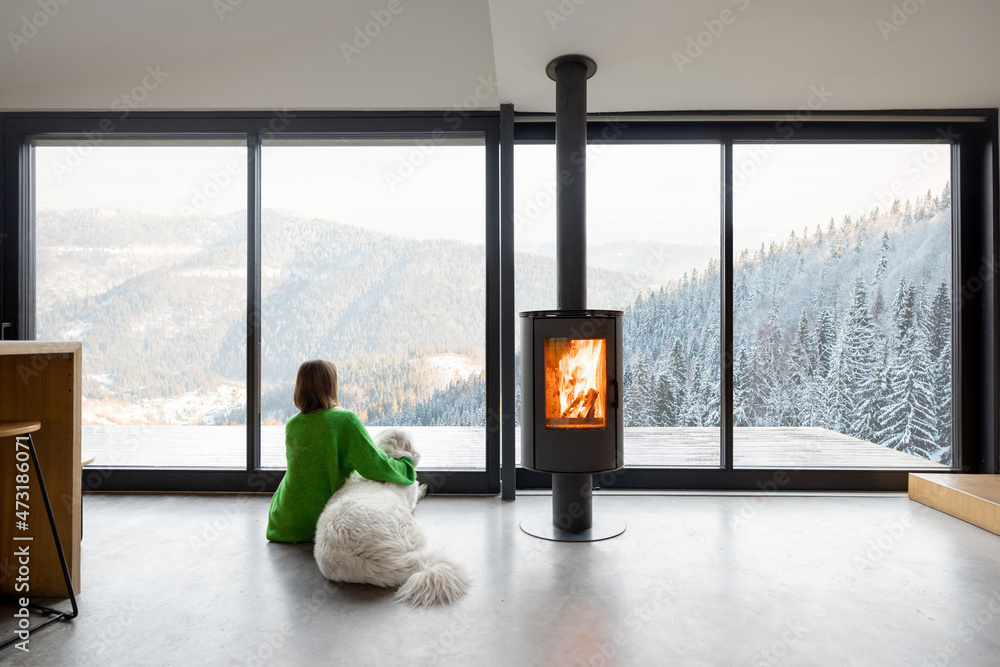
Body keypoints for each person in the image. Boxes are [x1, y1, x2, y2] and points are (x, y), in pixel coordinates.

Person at [266, 359, 416, 542]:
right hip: (322, 519)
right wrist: (405, 466)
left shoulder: (293, 424)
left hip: (283, 522)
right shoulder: (345, 420)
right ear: (331, 386)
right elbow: (375, 466)